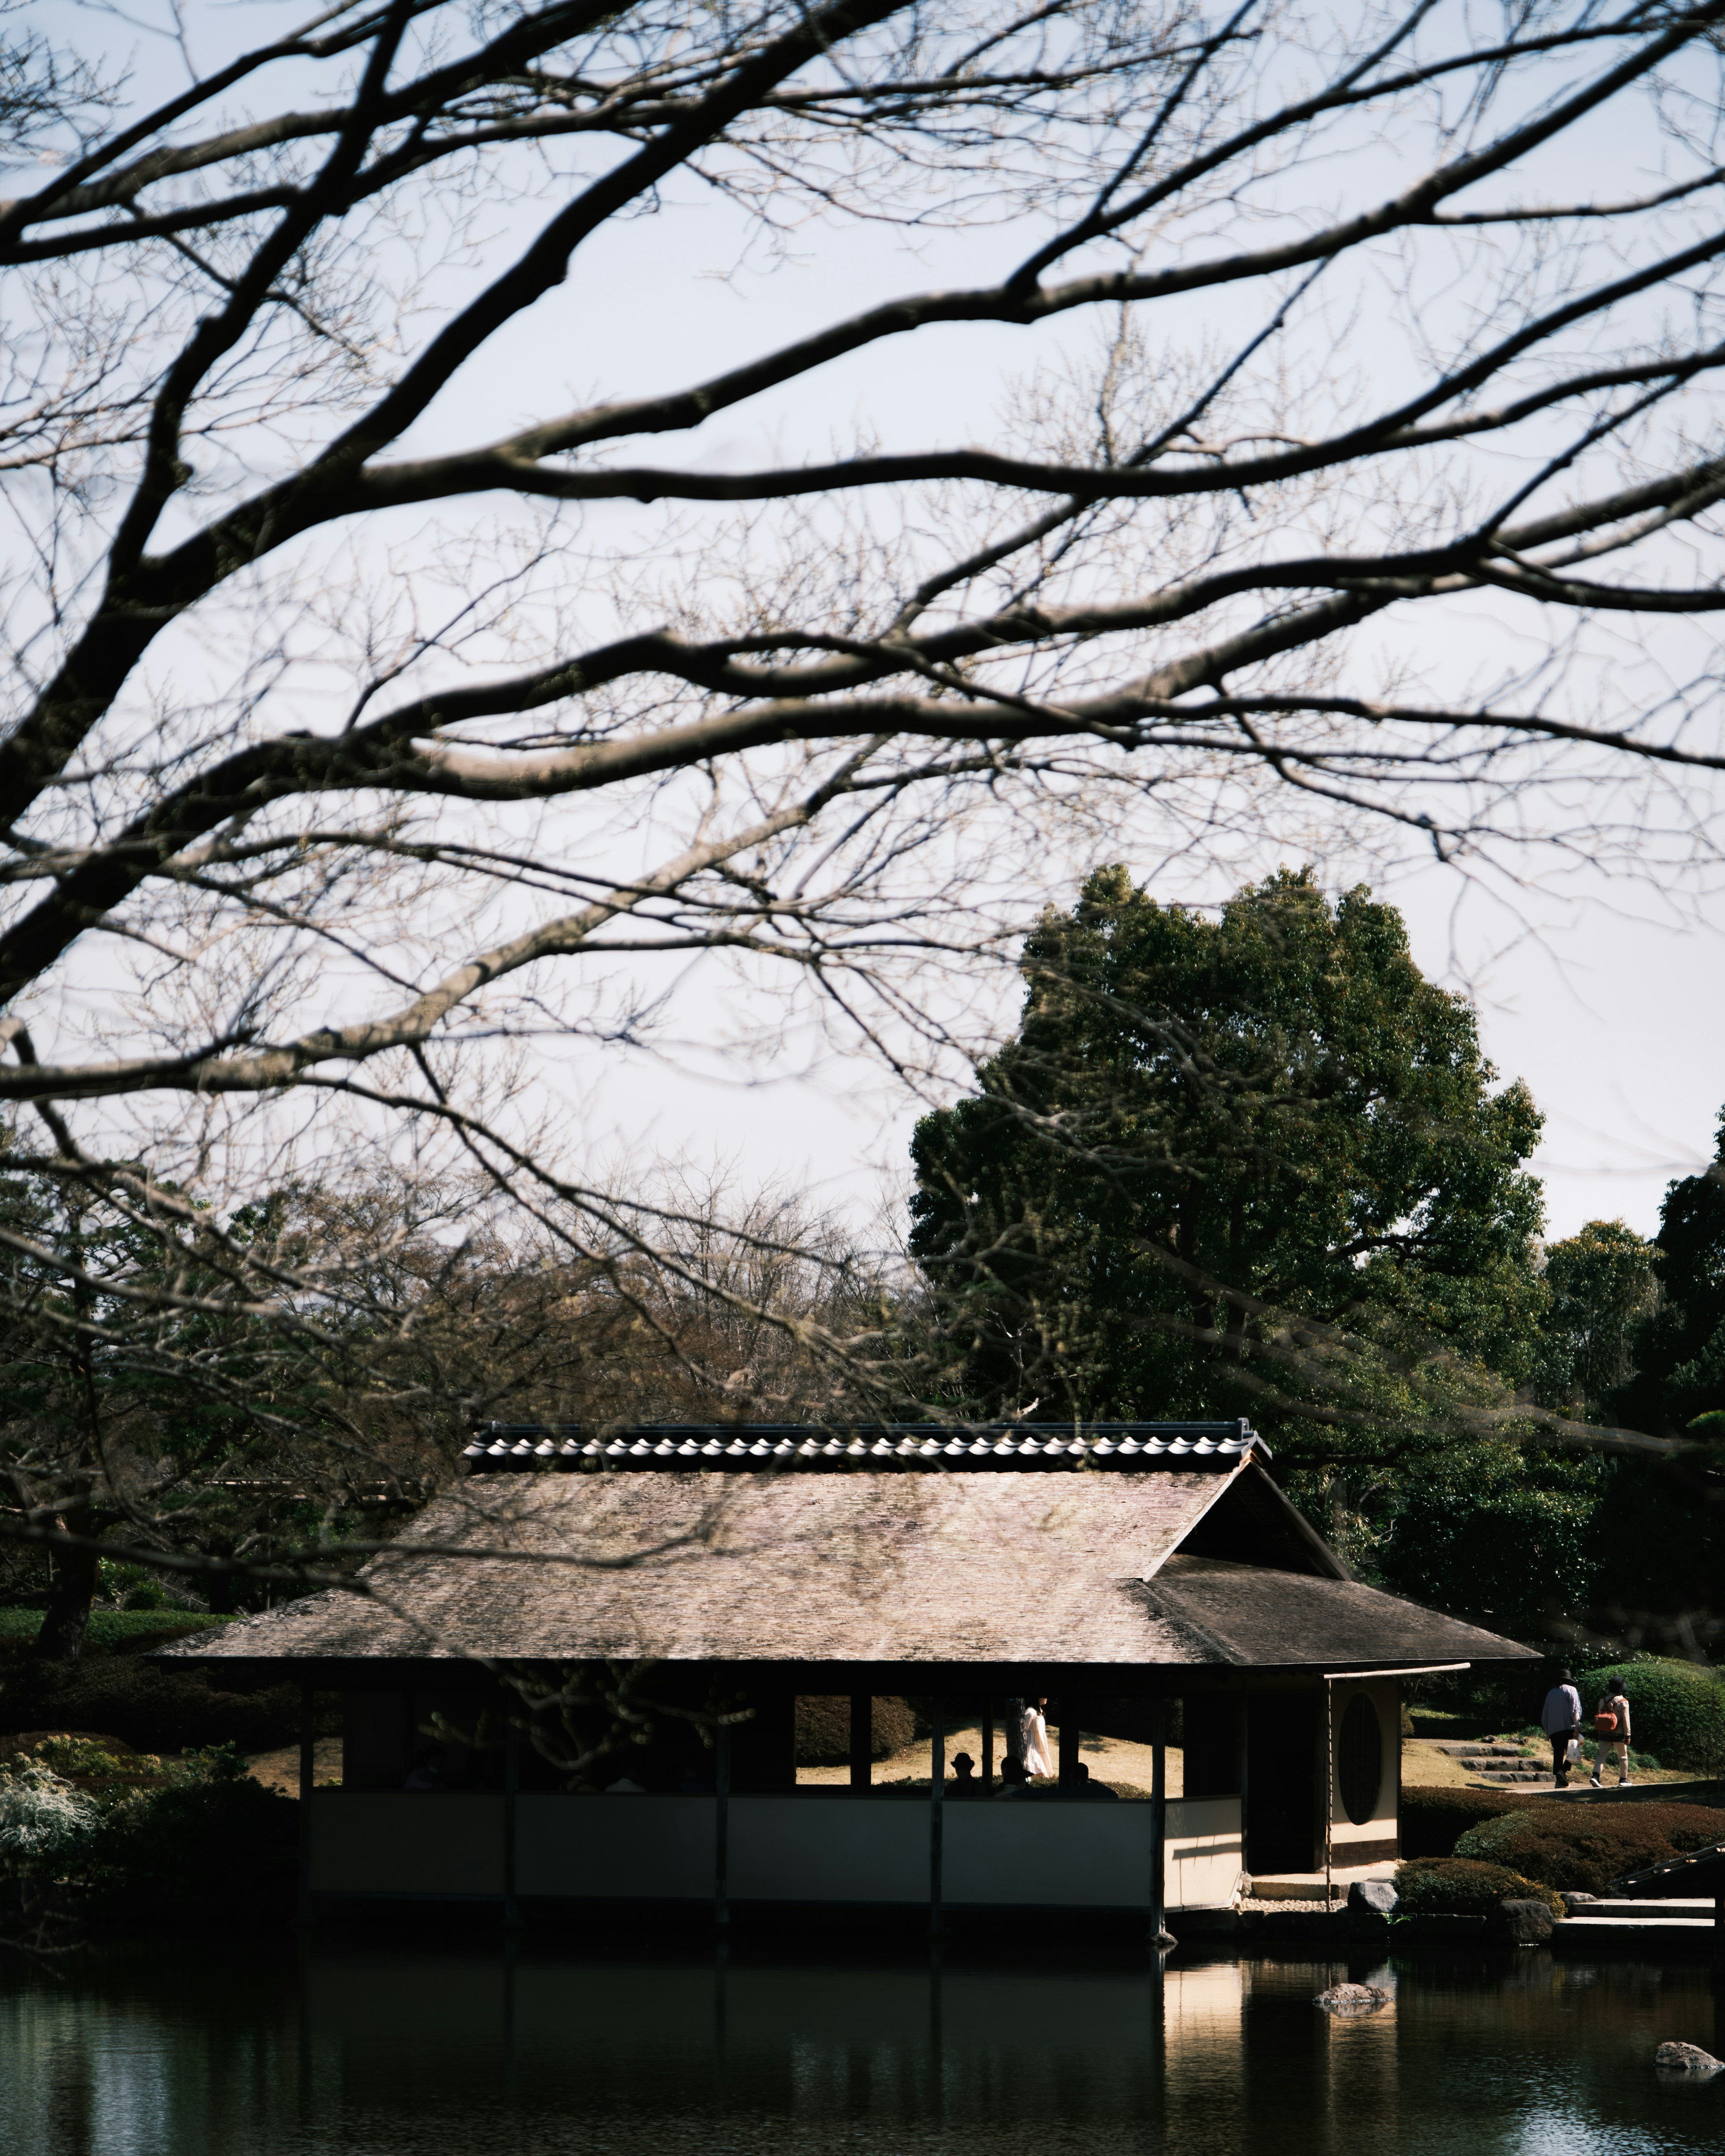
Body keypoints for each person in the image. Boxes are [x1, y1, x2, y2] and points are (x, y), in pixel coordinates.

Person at [1540, 1669, 1583, 1788]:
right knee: (1574, 1753)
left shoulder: (1551, 1693)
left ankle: (1559, 1782)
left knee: (1558, 1754)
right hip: (1568, 1729)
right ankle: (1562, 1772)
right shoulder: (1571, 1690)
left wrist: (1548, 1733)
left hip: (1554, 1731)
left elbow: (1544, 1717)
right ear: (1569, 1681)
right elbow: (1575, 1711)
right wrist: (1577, 1728)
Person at [1589, 1683, 1632, 1788]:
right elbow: (1626, 1721)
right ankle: (1623, 1779)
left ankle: (1595, 1777)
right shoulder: (1624, 1702)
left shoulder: (1602, 1701)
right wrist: (1628, 1735)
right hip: (1619, 1734)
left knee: (1602, 1755)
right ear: (1621, 1690)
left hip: (1603, 1732)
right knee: (1623, 1757)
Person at [1021, 1697, 1055, 1780]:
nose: (1046, 1698)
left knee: (1042, 1774)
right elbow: (1023, 1729)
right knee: (1043, 1774)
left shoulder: (1039, 1712)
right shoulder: (1031, 1713)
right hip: (1032, 1746)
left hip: (1038, 1746)